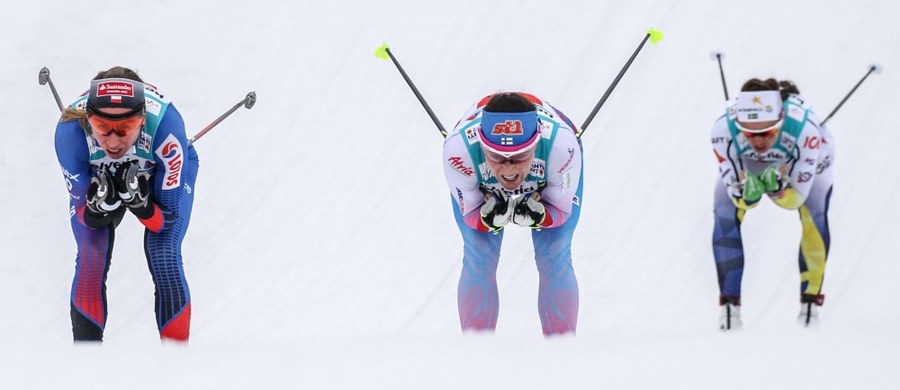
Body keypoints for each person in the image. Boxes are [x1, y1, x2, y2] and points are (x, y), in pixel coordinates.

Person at [55, 67, 199, 342]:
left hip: (157, 171)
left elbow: (164, 220)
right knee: (90, 254)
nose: (113, 140)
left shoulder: (166, 130)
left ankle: (177, 368)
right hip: (100, 176)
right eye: (101, 127)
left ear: (142, 120)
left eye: (126, 128)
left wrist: (142, 206)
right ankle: (85, 367)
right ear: (88, 119)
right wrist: (100, 208)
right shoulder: (69, 132)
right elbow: (87, 218)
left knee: (164, 252)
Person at [442, 92, 583, 336]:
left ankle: (562, 352)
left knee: (554, 253)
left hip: (545, 176)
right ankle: (476, 354)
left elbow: (561, 210)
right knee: (479, 256)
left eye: (520, 156)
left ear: (537, 144)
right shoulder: (459, 151)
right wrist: (486, 220)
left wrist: (542, 216)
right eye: (495, 156)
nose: (508, 168)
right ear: (482, 147)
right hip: (484, 184)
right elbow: (470, 215)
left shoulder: (562, 148)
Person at [710, 78, 835, 330]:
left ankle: (810, 304)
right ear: (738, 125)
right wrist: (748, 196)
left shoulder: (806, 131)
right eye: (750, 133)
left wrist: (779, 191)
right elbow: (737, 199)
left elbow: (795, 200)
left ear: (780, 122)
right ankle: (729, 307)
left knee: (814, 213)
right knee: (725, 213)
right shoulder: (722, 129)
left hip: (802, 157)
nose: (759, 142)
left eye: (767, 132)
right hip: (748, 163)